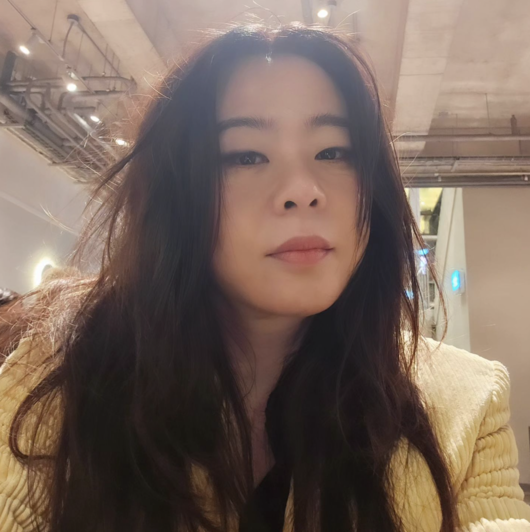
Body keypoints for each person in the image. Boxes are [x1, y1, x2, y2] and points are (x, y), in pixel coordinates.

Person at [0, 24, 528, 532]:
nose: (302, 189)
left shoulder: (466, 403)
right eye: (246, 156)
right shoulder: (59, 380)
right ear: (176, 196)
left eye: (334, 151)